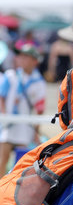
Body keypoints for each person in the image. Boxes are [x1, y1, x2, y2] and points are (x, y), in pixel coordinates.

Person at [0, 40, 46, 175]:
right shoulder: (11, 75)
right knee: (2, 160)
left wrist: (36, 130)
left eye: (25, 57)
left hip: (26, 127)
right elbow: (1, 97)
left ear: (34, 60)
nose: (21, 59)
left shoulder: (39, 82)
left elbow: (40, 109)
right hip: (8, 126)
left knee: (23, 162)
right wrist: (4, 116)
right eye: (20, 56)